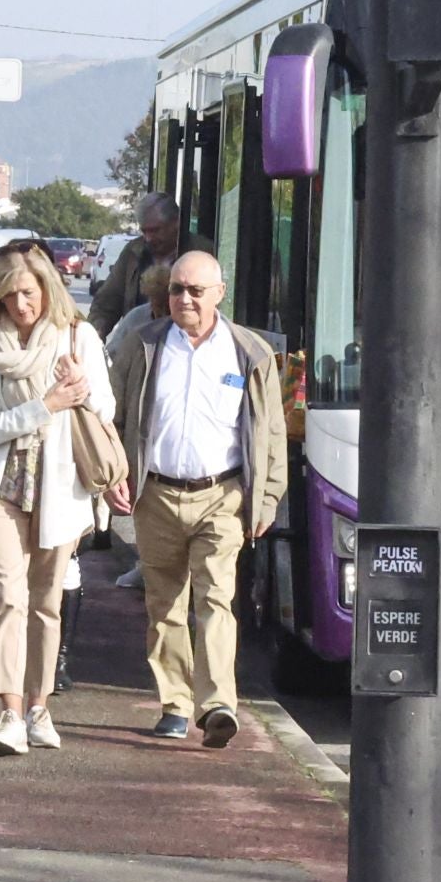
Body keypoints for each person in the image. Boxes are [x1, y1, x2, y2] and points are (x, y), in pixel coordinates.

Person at [107, 251, 286, 749]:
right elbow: (114, 416)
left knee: (215, 598)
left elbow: (271, 431)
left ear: (219, 293)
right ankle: (175, 703)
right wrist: (110, 475)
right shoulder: (144, 345)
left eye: (195, 291)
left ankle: (217, 704)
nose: (184, 299)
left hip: (223, 495)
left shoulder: (249, 353)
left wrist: (267, 497)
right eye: (177, 290)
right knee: (164, 602)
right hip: (157, 494)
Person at [0, 243, 116, 756]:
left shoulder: (78, 335)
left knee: (47, 603)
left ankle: (39, 708)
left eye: (28, 293)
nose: (21, 306)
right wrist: (45, 404)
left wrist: (82, 385)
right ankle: (8, 713)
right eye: (10, 296)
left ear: (46, 289)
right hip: (5, 486)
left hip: (61, 485)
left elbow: (105, 407)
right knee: (9, 596)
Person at [104, 265, 172, 592]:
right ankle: (145, 563)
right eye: (157, 305)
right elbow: (113, 358)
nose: (159, 313)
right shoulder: (137, 323)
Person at [88, 193, 211, 338]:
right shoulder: (133, 252)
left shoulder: (202, 253)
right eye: (144, 231)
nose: (148, 238)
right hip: (138, 344)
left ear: (175, 223)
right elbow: (107, 302)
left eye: (155, 230)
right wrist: (93, 339)